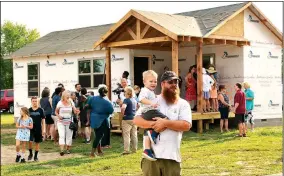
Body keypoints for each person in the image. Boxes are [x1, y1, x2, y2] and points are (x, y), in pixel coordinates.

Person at [134, 71, 192, 176]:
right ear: (162, 84)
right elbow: (136, 120)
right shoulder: (152, 100)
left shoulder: (183, 104)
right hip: (151, 158)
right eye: (170, 82)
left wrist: (165, 123)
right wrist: (154, 125)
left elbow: (186, 125)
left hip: (172, 158)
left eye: (176, 82)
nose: (174, 84)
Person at [88, 85, 114, 157]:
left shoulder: (92, 98)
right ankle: (92, 153)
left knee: (97, 135)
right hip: (102, 120)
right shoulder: (107, 102)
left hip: (94, 119)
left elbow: (88, 106)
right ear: (106, 93)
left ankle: (99, 151)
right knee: (99, 136)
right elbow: (111, 111)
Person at [55, 91, 80, 156]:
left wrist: (77, 111)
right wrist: (58, 116)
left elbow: (74, 111)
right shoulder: (59, 103)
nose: (68, 97)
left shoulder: (71, 102)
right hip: (61, 122)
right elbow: (56, 112)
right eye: (67, 96)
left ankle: (68, 149)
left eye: (69, 96)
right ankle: (62, 150)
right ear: (63, 96)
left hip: (69, 122)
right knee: (62, 135)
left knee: (69, 136)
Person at [121, 86, 138, 155]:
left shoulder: (126, 100)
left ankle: (126, 150)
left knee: (126, 135)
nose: (124, 93)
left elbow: (123, 107)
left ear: (127, 93)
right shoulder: (134, 100)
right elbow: (138, 107)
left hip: (127, 119)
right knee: (134, 134)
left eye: (125, 92)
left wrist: (123, 114)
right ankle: (134, 149)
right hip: (134, 118)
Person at [28, 96, 46, 162]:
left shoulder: (41, 110)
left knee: (37, 143)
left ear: (37, 102)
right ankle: (30, 154)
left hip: (38, 128)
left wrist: (44, 129)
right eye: (33, 101)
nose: (34, 102)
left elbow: (43, 120)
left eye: (36, 101)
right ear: (31, 102)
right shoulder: (29, 110)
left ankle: (35, 156)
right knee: (30, 141)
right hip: (30, 129)